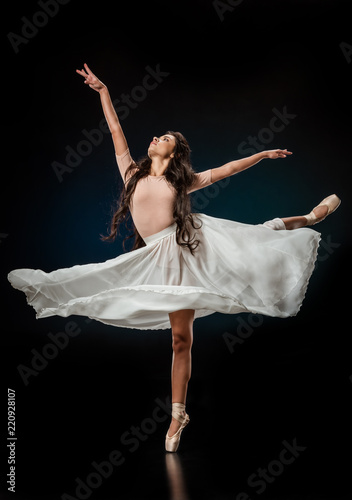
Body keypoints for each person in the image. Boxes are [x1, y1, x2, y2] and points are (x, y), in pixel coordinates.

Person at [8, 63, 341, 453]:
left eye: (163, 137)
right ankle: (179, 413)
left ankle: (310, 216)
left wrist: (262, 154)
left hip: (193, 244)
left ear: (174, 151)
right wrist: (102, 91)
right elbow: (115, 130)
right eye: (156, 135)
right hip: (159, 258)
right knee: (180, 339)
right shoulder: (131, 172)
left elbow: (227, 169)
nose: (155, 137)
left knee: (258, 238)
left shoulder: (181, 180)